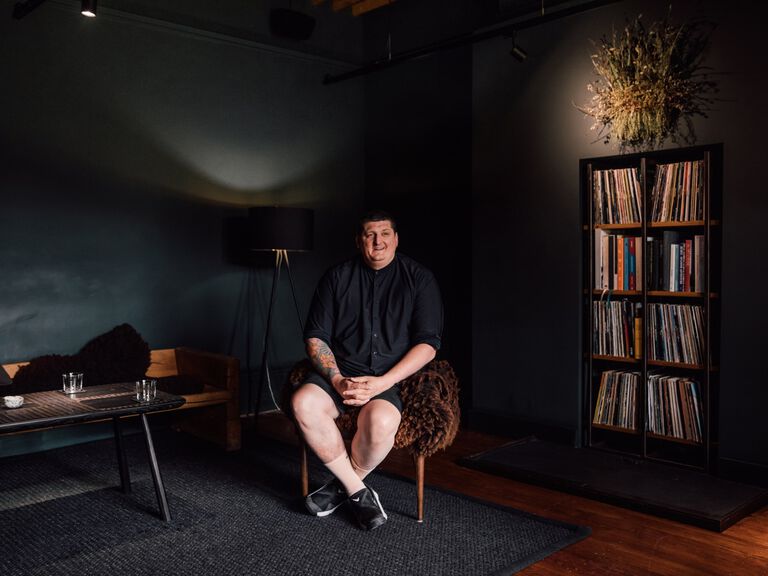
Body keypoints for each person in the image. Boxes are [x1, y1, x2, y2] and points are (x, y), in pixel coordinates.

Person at [291, 210, 443, 530]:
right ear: (359, 241)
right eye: (370, 234)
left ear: (396, 239)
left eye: (385, 234)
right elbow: (316, 337)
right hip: (339, 372)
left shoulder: (420, 278)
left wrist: (381, 383)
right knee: (303, 402)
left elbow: (428, 344)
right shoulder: (336, 277)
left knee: (381, 421)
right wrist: (336, 379)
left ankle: (342, 487)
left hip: (390, 377)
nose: (378, 241)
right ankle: (358, 491)